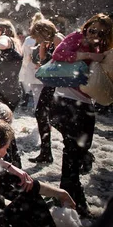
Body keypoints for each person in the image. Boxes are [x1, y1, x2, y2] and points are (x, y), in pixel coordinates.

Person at [49, 13, 113, 217]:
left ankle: (65, 196)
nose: (94, 35)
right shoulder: (77, 37)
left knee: (77, 152)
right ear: (86, 27)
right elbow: (58, 54)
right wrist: (88, 56)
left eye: (100, 33)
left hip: (85, 103)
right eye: (91, 30)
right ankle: (75, 202)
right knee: (73, 154)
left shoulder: (102, 47)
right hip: (66, 102)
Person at [27, 19, 65, 164]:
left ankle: (80, 150)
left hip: (59, 85)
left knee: (54, 118)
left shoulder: (58, 38)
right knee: (41, 114)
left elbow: (62, 61)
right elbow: (43, 59)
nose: (36, 39)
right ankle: (46, 152)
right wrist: (42, 45)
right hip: (50, 83)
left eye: (36, 35)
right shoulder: (47, 41)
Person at [19, 12, 45, 110]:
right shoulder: (48, 38)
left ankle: (39, 115)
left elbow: (26, 57)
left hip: (34, 70)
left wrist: (23, 71)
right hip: (47, 70)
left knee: (37, 96)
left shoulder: (29, 39)